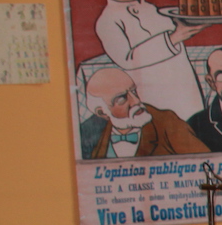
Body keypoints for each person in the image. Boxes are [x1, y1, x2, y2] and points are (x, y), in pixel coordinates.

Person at [75, 0, 205, 117]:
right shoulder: (107, 21)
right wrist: (173, 38)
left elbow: (174, 33)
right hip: (154, 100)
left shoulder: (151, 9)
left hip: (186, 93)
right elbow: (127, 59)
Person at [79, 67, 208, 159]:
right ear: (102, 113)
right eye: (122, 98)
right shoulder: (88, 132)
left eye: (133, 91)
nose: (136, 101)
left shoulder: (167, 122)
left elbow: (205, 163)